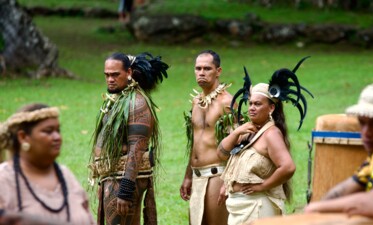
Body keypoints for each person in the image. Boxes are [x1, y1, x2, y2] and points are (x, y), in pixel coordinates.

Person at [217, 57, 313, 225]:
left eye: (258, 104)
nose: (252, 107)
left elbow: (288, 167)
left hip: (258, 206)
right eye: (250, 103)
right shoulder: (246, 130)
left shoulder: (271, 134)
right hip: (239, 207)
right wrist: (236, 133)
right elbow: (221, 154)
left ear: (271, 107)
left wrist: (263, 186)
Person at [89, 52, 169, 225]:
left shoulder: (137, 103)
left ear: (129, 73)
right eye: (107, 75)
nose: (110, 79)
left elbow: (137, 149)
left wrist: (125, 191)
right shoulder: (119, 99)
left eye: (115, 74)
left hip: (123, 179)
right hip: (113, 177)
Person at [0, 103, 95, 225]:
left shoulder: (66, 176)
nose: (57, 137)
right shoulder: (4, 180)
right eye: (48, 131)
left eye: (58, 130)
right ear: (23, 137)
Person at [180, 50, 233, 225]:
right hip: (196, 175)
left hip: (217, 174)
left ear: (218, 71)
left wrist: (229, 181)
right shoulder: (196, 102)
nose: (201, 73)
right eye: (198, 68)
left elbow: (238, 146)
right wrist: (188, 176)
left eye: (207, 68)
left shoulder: (227, 102)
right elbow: (196, 142)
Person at [304, 83, 373, 216]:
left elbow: (370, 202)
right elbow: (345, 189)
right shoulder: (372, 161)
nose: (367, 133)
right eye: (363, 123)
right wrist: (318, 207)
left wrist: (316, 208)